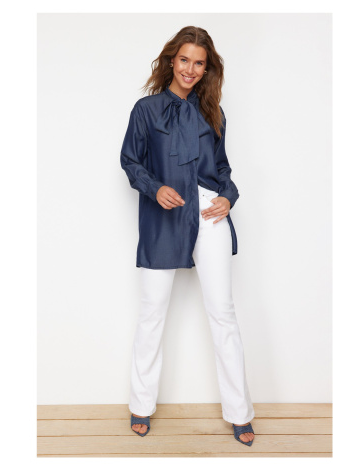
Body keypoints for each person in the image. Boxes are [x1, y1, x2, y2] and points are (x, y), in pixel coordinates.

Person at [120, 26, 255, 446]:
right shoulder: (146, 110)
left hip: (210, 213)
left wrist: (228, 196)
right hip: (165, 212)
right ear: (171, 61)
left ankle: (240, 413)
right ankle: (141, 404)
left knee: (223, 312)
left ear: (206, 68)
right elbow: (130, 161)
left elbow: (223, 168)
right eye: (184, 60)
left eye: (199, 63)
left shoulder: (214, 113)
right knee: (152, 311)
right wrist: (154, 187)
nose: (190, 70)